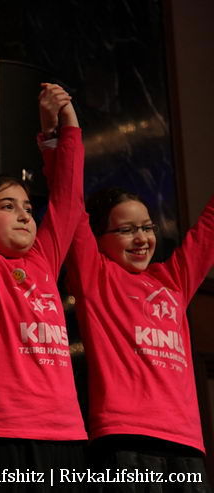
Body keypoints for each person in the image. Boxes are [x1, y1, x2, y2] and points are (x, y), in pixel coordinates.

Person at [0, 73, 87, 486]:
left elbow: (68, 200)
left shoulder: (43, 262)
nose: (25, 215)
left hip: (64, 437)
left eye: (26, 206)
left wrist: (64, 127)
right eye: (7, 205)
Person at [67, 182, 213, 489]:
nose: (141, 238)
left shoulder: (173, 280)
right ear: (98, 238)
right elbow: (69, 202)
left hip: (184, 442)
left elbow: (208, 230)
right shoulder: (96, 275)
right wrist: (57, 142)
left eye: (147, 227)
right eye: (126, 230)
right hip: (125, 441)